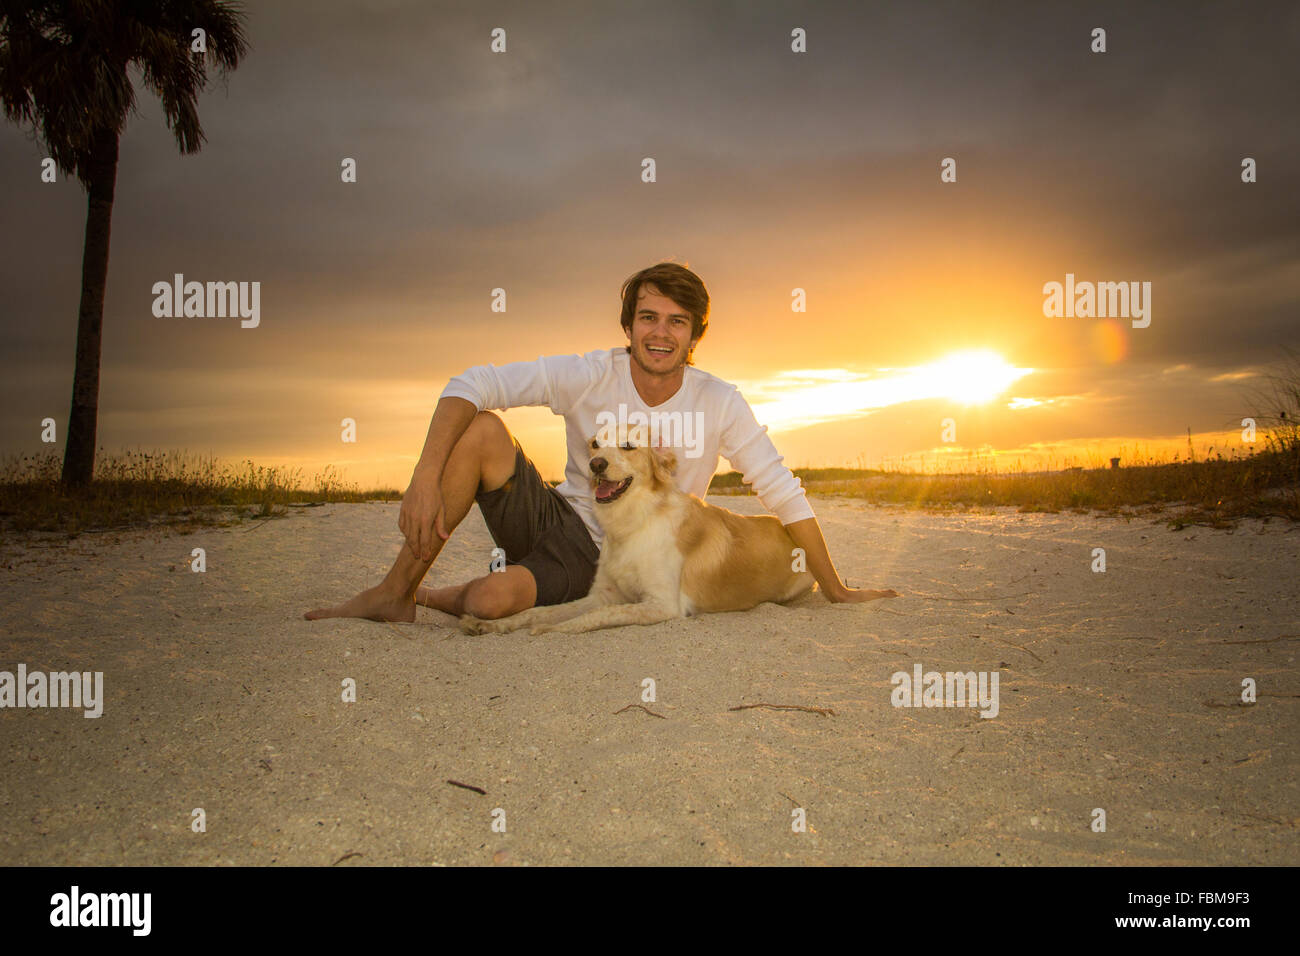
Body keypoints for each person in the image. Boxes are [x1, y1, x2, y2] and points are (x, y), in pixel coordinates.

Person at [305, 262, 897, 623]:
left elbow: (782, 493)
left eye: (676, 321)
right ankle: (394, 591)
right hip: (559, 514)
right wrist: (423, 479)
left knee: (488, 603)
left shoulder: (719, 401)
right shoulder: (590, 373)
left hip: (605, 556)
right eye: (648, 317)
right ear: (628, 324)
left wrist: (834, 587)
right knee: (484, 428)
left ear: (695, 335)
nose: (660, 333)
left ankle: (434, 597)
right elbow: (472, 383)